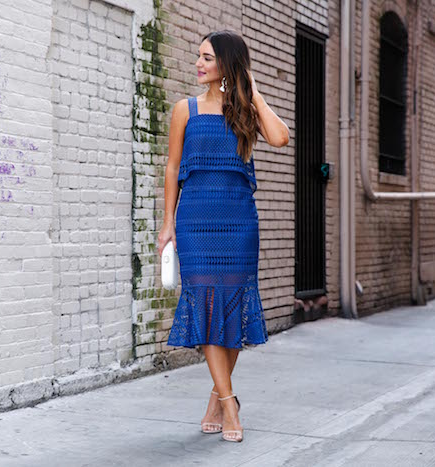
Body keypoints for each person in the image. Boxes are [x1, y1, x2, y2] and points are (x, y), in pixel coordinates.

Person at [157, 30, 290, 443]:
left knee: (232, 306)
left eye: (207, 58)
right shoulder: (186, 109)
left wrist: (251, 91)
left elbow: (281, 137)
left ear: (227, 66)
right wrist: (167, 222)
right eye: (198, 56)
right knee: (207, 306)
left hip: (238, 222)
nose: (198, 64)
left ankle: (217, 396)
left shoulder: (244, 110)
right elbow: (172, 167)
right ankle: (230, 402)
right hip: (195, 221)